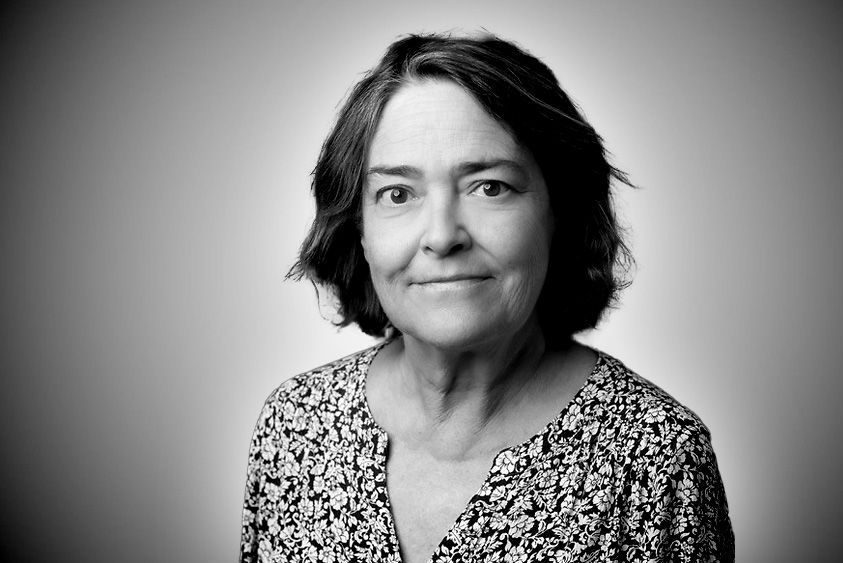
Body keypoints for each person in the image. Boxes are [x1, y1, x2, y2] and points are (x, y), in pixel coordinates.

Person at [240, 32, 734, 563]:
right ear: (358, 229)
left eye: (490, 186)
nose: (442, 235)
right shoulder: (295, 426)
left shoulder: (658, 460)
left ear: (558, 213)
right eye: (397, 194)